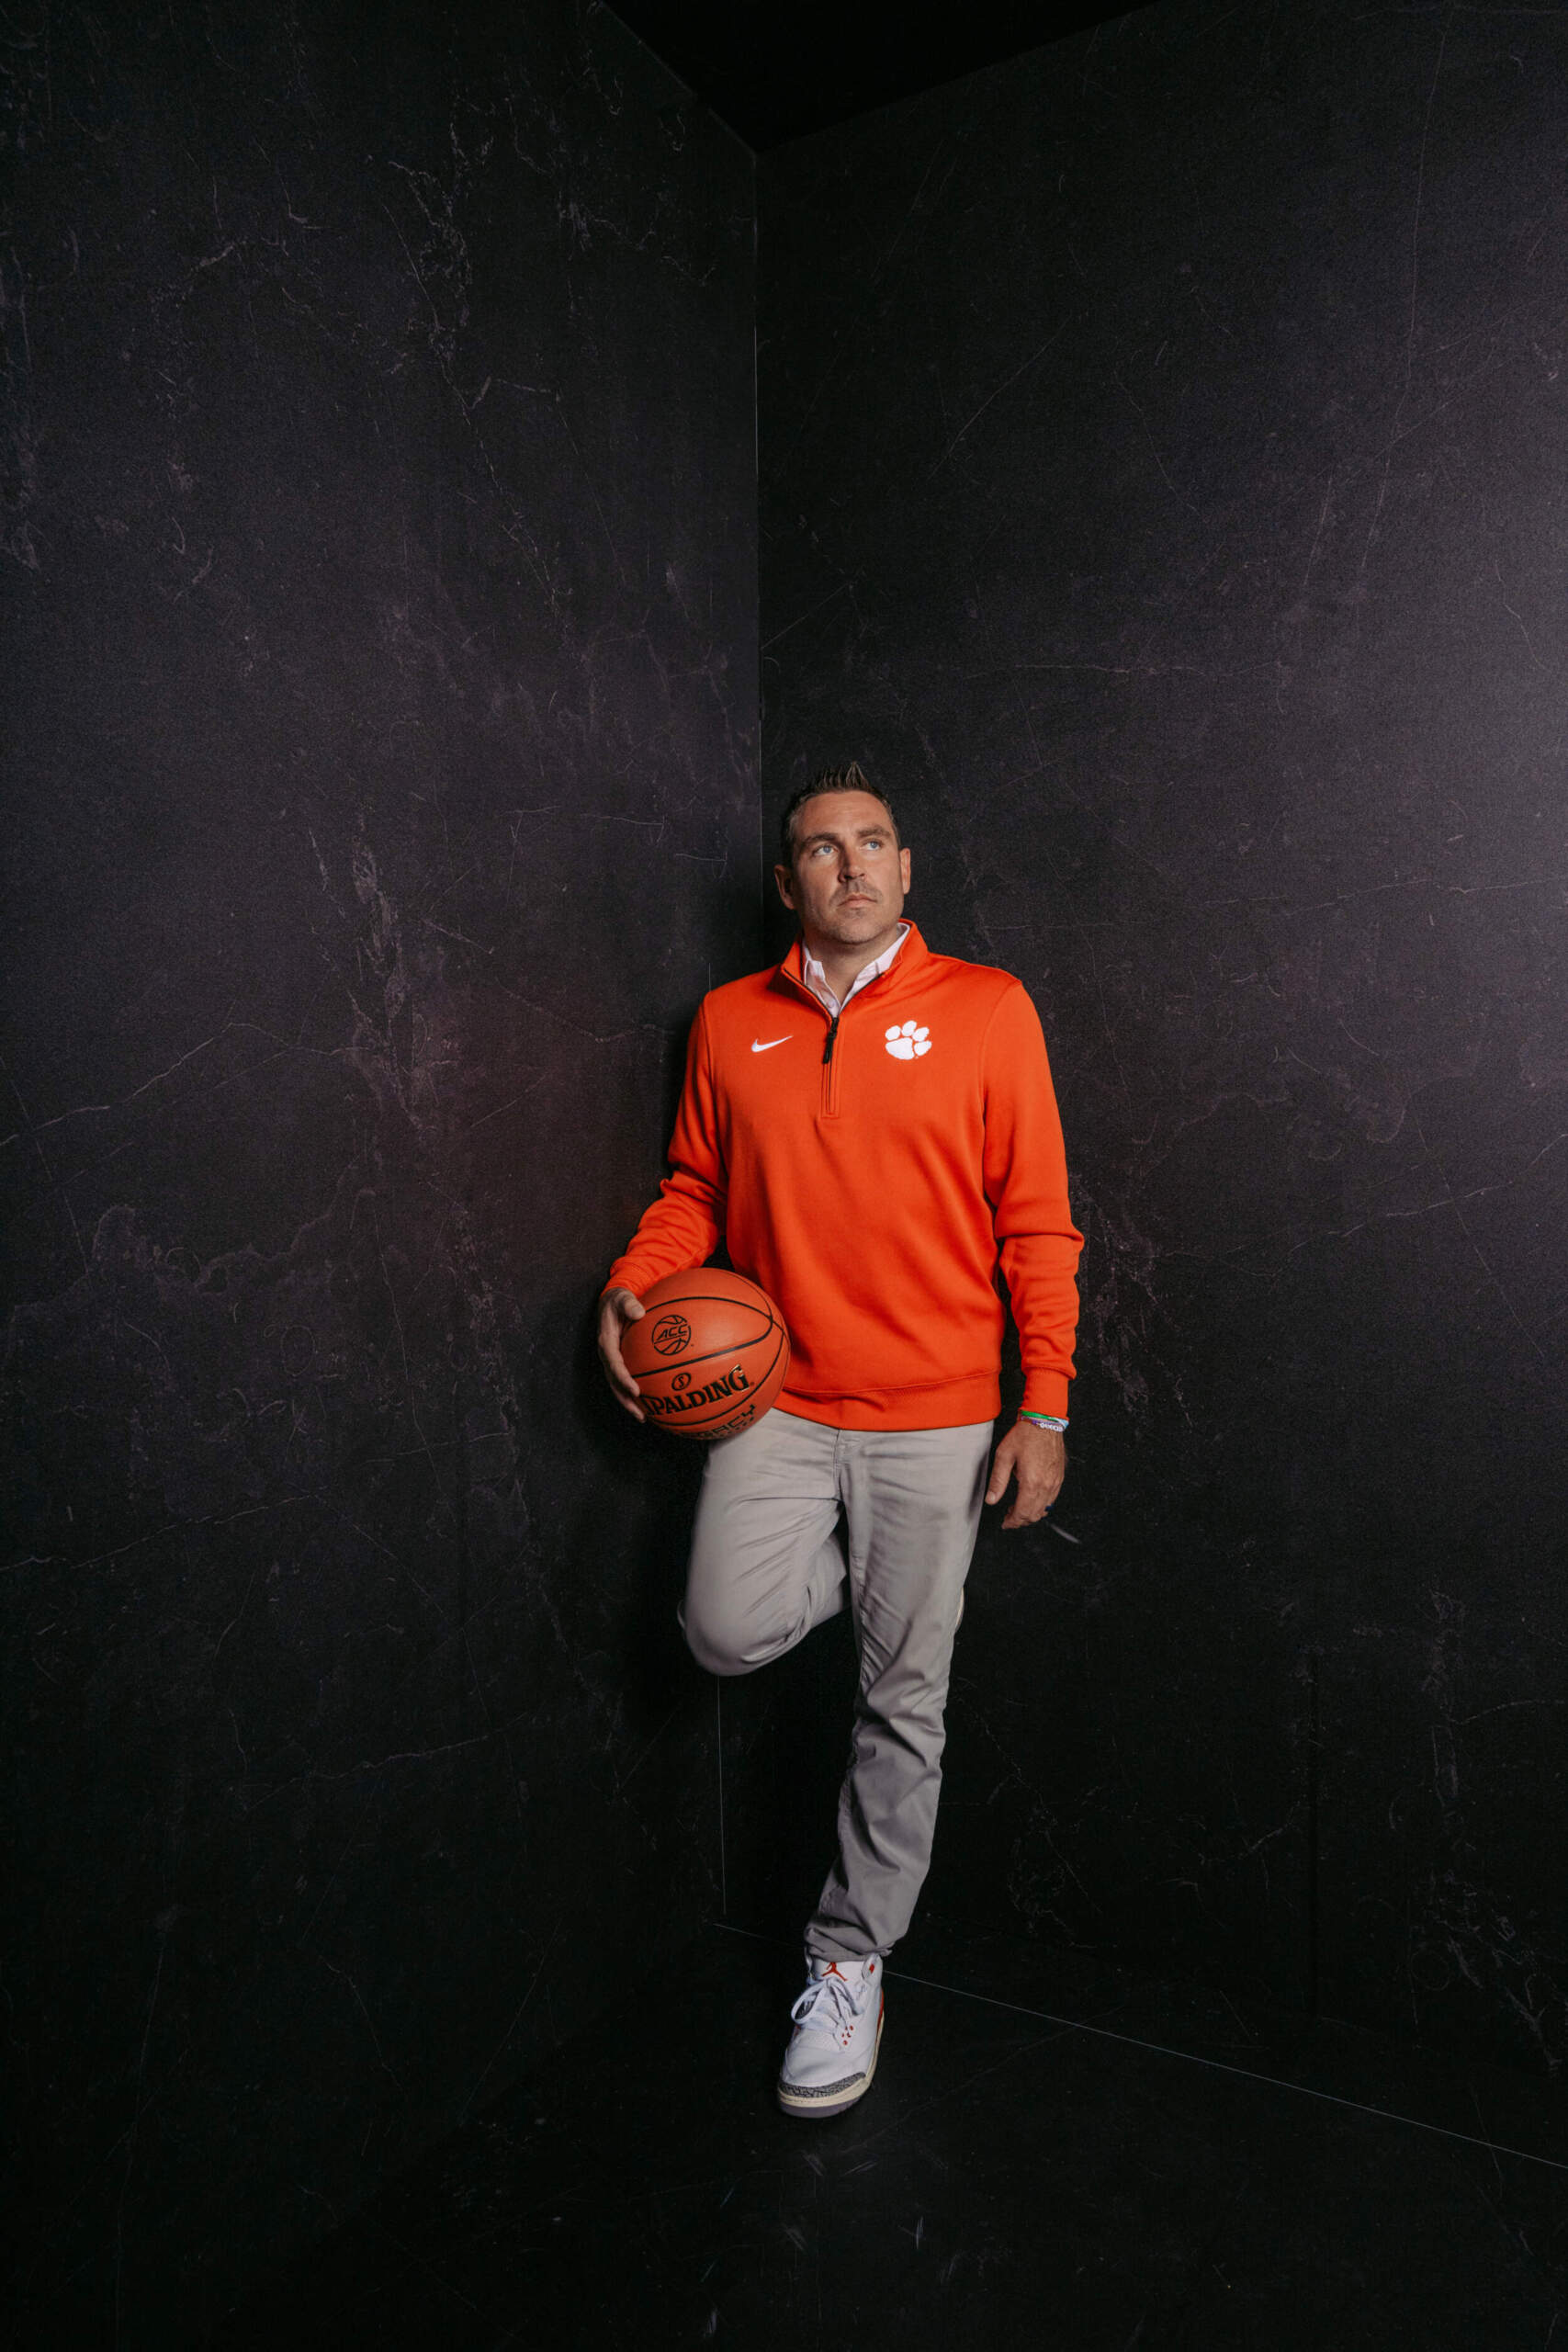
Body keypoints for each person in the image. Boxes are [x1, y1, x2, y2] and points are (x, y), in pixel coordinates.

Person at [597, 762, 1082, 2118]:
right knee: (721, 1628)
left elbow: (1037, 1222)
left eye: (873, 843)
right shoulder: (727, 1020)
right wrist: (636, 1288)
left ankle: (849, 1957)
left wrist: (1043, 1401)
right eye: (823, 848)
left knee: (901, 1702)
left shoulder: (987, 1008)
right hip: (780, 1402)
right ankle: (887, 1591)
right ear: (787, 881)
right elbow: (693, 1188)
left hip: (937, 1413)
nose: (852, 865)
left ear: (906, 868)